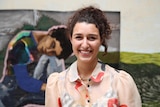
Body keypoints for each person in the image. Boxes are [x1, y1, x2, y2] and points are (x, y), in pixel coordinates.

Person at [45, 6, 142, 107]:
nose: (85, 44)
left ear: (101, 39)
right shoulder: (57, 84)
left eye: (92, 38)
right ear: (71, 39)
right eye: (79, 37)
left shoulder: (121, 83)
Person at [0, 25, 72, 107]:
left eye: (53, 52)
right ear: (51, 33)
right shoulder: (23, 44)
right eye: (52, 45)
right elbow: (24, 81)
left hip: (26, 93)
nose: (48, 50)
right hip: (8, 94)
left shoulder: (48, 49)